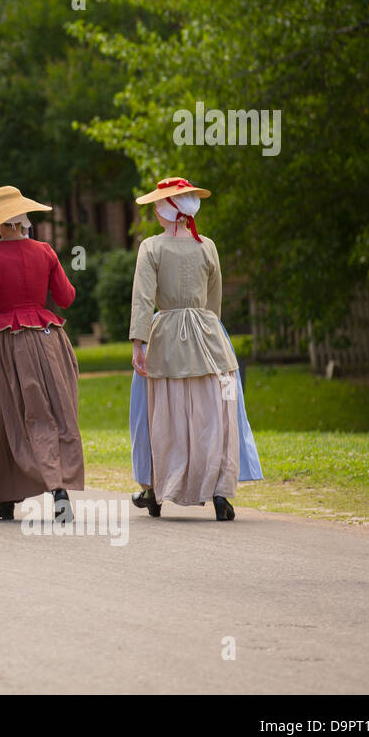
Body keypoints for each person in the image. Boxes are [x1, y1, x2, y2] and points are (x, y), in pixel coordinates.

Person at [128, 177, 259, 521]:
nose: (155, 210)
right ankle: (219, 493)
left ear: (167, 209)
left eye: (158, 204)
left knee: (163, 417)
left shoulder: (151, 248)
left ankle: (156, 488)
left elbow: (143, 299)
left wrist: (139, 342)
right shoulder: (208, 246)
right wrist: (207, 328)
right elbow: (214, 302)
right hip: (209, 338)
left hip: (167, 338)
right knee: (212, 418)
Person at [0, 186, 84, 524]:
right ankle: (57, 490)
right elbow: (66, 296)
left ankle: (6, 498)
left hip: (5, 344)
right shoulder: (45, 251)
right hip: (48, 342)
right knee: (47, 413)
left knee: (1, 416)